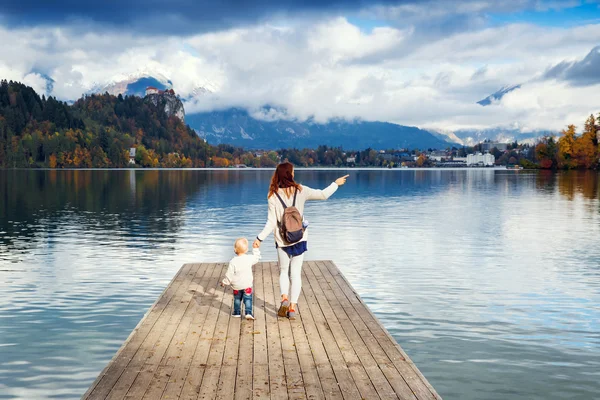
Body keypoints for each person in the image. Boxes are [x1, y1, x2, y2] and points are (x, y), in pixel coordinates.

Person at [253, 162, 348, 319]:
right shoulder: (301, 190)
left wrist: (259, 238)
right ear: (290, 174)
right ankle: (292, 308)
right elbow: (323, 195)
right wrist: (336, 184)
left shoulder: (272, 195)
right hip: (299, 238)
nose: (294, 173)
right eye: (293, 172)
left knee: (284, 271)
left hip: (282, 240)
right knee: (295, 274)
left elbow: (270, 222)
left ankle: (284, 297)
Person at [221, 237, 261, 320]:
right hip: (247, 284)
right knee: (248, 299)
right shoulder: (249, 258)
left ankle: (237, 312)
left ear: (235, 249)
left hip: (236, 285)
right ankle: (248, 312)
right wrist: (255, 249)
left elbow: (229, 274)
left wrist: (225, 282)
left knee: (237, 299)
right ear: (246, 250)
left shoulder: (233, 261)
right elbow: (256, 258)